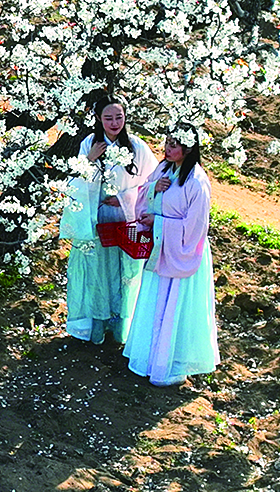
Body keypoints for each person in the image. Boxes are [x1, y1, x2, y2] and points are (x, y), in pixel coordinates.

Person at [58, 97, 158, 345]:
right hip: (96, 216)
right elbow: (75, 184)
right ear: (99, 119)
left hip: (125, 218)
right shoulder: (89, 143)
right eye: (108, 118)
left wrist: (125, 198)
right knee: (96, 270)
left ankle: (122, 326)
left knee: (125, 271)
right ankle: (94, 327)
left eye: (119, 117)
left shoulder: (137, 146)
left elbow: (150, 182)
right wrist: (90, 160)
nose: (114, 123)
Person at [125, 126, 219, 387]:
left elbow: (196, 227)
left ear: (188, 149)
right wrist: (155, 187)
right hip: (161, 248)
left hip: (182, 251)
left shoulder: (197, 181)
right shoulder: (164, 169)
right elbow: (143, 196)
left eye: (175, 145)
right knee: (155, 304)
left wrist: (160, 223)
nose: (167, 149)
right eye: (167, 143)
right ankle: (149, 359)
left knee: (176, 308)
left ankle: (171, 365)